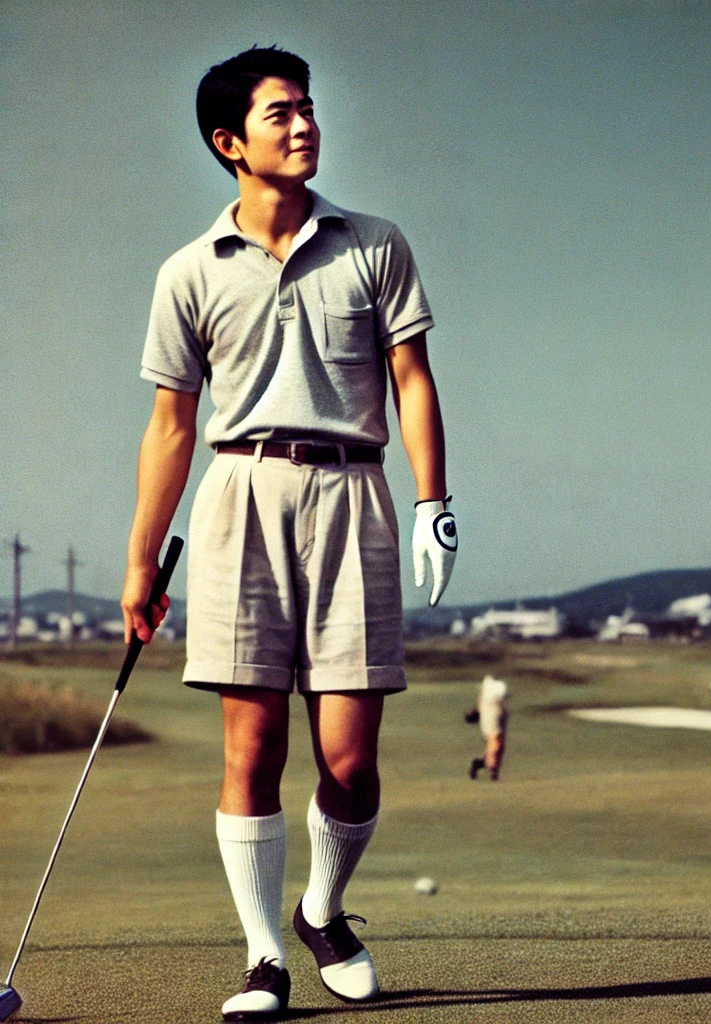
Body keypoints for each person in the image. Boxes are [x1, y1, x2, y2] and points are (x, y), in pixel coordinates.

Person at [120, 47, 457, 1022]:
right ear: (230, 143)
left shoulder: (376, 243)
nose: (304, 125)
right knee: (253, 745)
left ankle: (322, 909)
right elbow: (171, 425)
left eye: (308, 108)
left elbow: (413, 380)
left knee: (350, 756)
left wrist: (435, 502)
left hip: (354, 492)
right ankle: (263, 957)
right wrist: (142, 562)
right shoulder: (188, 271)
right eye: (280, 114)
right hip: (240, 494)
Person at [468, 675, 509, 780]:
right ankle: (492, 770)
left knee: (500, 746)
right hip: (491, 709)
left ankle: (481, 763)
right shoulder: (489, 682)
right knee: (495, 742)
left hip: (500, 709)